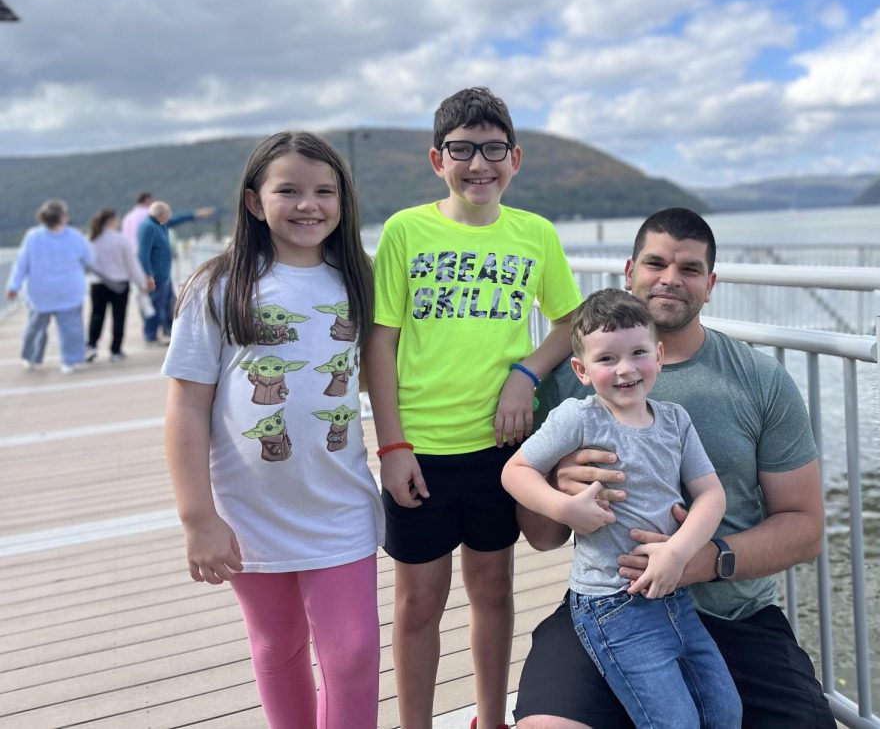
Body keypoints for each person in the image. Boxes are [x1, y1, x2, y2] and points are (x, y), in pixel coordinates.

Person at [514, 208, 836, 729]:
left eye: (689, 269)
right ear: (629, 272)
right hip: (613, 609)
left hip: (736, 617)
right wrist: (558, 488)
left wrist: (704, 559)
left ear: (710, 285)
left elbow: (805, 527)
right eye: (655, 263)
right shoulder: (576, 385)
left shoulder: (759, 379)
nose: (669, 279)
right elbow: (541, 538)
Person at [364, 87, 582, 729]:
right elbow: (382, 341)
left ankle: (490, 720)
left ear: (515, 158)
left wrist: (525, 373)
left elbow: (571, 322)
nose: (478, 164)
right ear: (438, 159)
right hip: (423, 449)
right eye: (462, 150)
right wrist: (393, 445)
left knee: (492, 590)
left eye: (493, 150)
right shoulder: (406, 230)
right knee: (418, 602)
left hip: (503, 448)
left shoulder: (534, 234)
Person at [162, 131, 383, 727]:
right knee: (277, 647)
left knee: (355, 649)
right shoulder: (219, 284)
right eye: (289, 190)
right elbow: (185, 407)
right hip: (248, 510)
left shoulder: (360, 278)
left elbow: (380, 373)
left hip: (340, 501)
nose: (309, 204)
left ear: (344, 201)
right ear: (256, 201)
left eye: (324, 191)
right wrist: (197, 517)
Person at [503, 288, 740, 729]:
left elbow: (711, 495)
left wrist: (678, 551)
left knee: (723, 711)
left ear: (659, 354)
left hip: (673, 593)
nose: (626, 369)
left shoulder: (675, 420)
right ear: (582, 369)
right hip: (610, 601)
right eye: (607, 359)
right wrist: (565, 508)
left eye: (637, 353)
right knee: (674, 721)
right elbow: (515, 471)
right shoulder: (579, 418)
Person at [5, 199, 94, 374]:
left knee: (36, 327)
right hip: (70, 290)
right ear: (63, 217)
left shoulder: (33, 237)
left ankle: (31, 358)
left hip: (40, 292)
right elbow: (90, 261)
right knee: (71, 328)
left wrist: (13, 286)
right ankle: (69, 361)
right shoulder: (76, 236)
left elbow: (21, 264)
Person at [138, 200, 215, 344]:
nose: (169, 217)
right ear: (161, 214)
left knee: (168, 304)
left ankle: (168, 331)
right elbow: (143, 253)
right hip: (156, 276)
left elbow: (177, 219)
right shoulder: (148, 227)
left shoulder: (160, 224)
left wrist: (194, 215)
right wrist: (147, 275)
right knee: (155, 305)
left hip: (164, 275)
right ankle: (151, 335)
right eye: (167, 214)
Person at [85, 208, 154, 363]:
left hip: (97, 284)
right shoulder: (121, 239)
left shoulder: (91, 239)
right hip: (120, 284)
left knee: (97, 315)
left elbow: (85, 264)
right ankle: (115, 350)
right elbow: (132, 265)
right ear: (112, 221)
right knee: (119, 317)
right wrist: (142, 283)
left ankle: (91, 346)